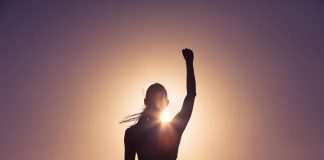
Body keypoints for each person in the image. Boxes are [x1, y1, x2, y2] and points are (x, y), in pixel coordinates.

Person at [121, 48, 196, 160]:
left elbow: (190, 95)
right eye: (154, 98)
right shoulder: (132, 133)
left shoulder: (174, 128)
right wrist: (189, 62)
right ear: (146, 101)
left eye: (160, 98)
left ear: (166, 103)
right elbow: (191, 95)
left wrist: (189, 63)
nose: (157, 102)